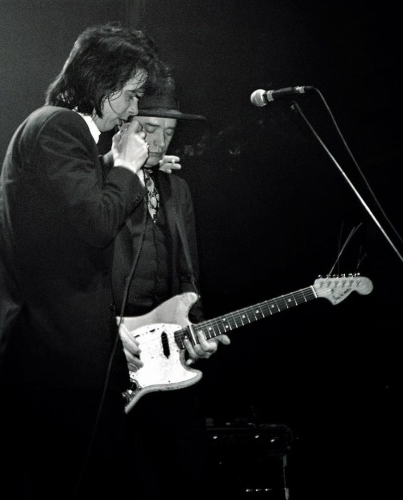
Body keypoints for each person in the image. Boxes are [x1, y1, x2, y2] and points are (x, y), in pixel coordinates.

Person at [0, 22, 168, 499]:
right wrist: (124, 167)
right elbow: (96, 222)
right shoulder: (59, 126)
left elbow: (65, 215)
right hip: (51, 361)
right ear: (98, 83)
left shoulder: (57, 133)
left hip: (55, 355)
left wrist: (116, 167)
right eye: (129, 94)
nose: (134, 109)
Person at [107, 75, 231, 500]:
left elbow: (188, 275)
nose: (159, 142)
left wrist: (194, 329)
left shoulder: (177, 188)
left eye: (169, 132)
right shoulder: (103, 180)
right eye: (148, 129)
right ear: (124, 125)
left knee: (191, 479)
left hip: (170, 353)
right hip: (116, 349)